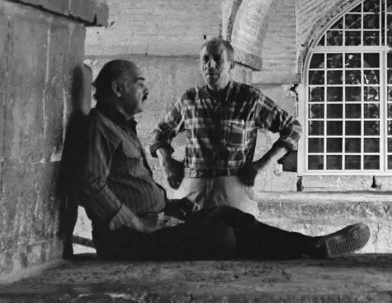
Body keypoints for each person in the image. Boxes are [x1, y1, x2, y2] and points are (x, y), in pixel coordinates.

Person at [79, 58, 370, 261]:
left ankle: (314, 245)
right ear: (118, 89)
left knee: (231, 217)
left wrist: (169, 205)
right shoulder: (101, 127)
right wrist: (138, 224)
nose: (146, 90)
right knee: (223, 237)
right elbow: (90, 184)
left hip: (170, 213)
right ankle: (307, 249)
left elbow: (129, 184)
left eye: (218, 59)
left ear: (230, 64)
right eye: (139, 83)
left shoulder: (121, 128)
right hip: (131, 238)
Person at [149, 37, 300, 216]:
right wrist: (166, 163)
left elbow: (293, 128)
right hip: (193, 189)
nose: (210, 65)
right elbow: (159, 133)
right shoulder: (190, 99)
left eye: (218, 59)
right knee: (190, 240)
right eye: (205, 59)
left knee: (236, 239)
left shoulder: (250, 99)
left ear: (231, 65)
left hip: (234, 189)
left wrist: (261, 165)